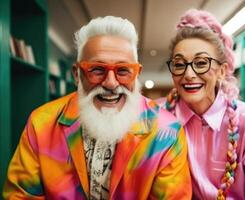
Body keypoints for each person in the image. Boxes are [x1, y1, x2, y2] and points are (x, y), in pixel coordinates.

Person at [2, 16, 192, 199]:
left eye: (123, 70)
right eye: (97, 69)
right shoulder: (41, 123)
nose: (110, 83)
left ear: (136, 74)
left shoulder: (167, 132)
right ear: (77, 75)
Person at [159, 9, 245, 199]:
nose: (188, 74)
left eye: (201, 62)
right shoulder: (156, 118)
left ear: (222, 70)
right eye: (179, 64)